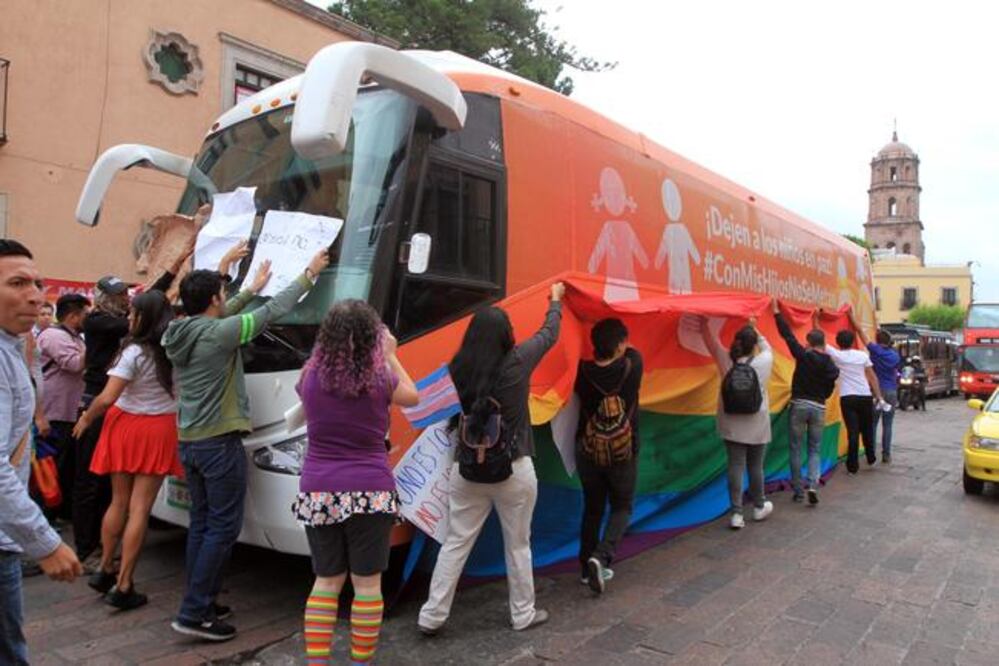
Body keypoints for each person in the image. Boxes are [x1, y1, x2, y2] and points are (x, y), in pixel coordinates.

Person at [164, 248, 329, 641]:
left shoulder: (179, 331)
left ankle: (200, 599)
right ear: (215, 299)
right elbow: (270, 314)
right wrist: (308, 274)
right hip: (218, 444)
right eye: (222, 294)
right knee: (222, 527)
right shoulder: (220, 333)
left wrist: (250, 288)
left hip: (190, 442)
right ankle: (194, 612)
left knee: (202, 525)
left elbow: (225, 316)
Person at [418, 282, 565, 635]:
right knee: (518, 544)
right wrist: (555, 301)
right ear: (506, 335)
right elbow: (549, 334)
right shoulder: (518, 362)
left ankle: (431, 616)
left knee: (455, 542)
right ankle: (522, 613)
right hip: (514, 469)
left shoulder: (456, 371)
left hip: (466, 471)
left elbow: (425, 409)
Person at [293, 301, 418, 666]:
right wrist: (391, 355)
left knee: (326, 580)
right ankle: (359, 663)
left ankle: (318, 663)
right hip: (370, 488)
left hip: (318, 488)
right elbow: (413, 396)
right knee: (366, 585)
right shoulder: (381, 377)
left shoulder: (310, 377)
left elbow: (306, 385)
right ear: (372, 338)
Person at [72, 291, 183, 610]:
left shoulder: (131, 351)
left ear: (143, 317)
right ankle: (124, 584)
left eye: (133, 313)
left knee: (118, 501)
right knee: (139, 508)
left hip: (123, 425)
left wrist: (86, 418)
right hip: (157, 428)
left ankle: (106, 568)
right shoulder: (172, 348)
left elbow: (107, 398)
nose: (129, 318)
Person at [0, 239, 82, 665]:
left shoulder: (14, 346)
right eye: (18, 283)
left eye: (38, 283)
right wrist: (46, 543)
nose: (35, 294)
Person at [573, 317, 643, 594]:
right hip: (623, 449)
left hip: (587, 448)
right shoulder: (632, 364)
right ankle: (600, 558)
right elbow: (632, 349)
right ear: (620, 344)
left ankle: (584, 567)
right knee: (622, 506)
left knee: (593, 507)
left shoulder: (582, 371)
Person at [699, 315, 774, 529]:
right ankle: (759, 507)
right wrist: (754, 327)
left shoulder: (726, 360)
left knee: (735, 465)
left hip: (730, 420)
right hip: (757, 420)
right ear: (753, 346)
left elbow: (711, 342)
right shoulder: (764, 360)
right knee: (756, 466)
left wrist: (705, 324)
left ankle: (736, 514)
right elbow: (766, 346)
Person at [773, 300, 839, 504]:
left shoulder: (803, 356)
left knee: (795, 448)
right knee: (814, 449)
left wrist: (776, 313)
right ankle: (812, 485)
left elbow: (788, 336)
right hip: (818, 407)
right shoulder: (830, 364)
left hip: (799, 405)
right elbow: (830, 387)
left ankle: (798, 491)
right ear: (823, 343)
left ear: (809, 342)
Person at [36, 292, 89, 520]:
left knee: (64, 466)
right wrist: (94, 344)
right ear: (74, 316)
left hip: (68, 411)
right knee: (51, 467)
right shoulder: (54, 336)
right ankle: (44, 516)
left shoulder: (75, 337)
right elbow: (75, 364)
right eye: (86, 314)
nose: (89, 319)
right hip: (54, 412)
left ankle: (55, 513)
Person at [824, 314, 885, 474]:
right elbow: (872, 376)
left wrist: (816, 319)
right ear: (852, 342)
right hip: (865, 396)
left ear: (838, 342)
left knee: (852, 432)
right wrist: (878, 396)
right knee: (867, 429)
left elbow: (821, 340)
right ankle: (871, 457)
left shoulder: (837, 356)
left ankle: (852, 467)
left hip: (847, 397)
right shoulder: (862, 355)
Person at [852, 317, 901, 463]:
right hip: (892, 391)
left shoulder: (875, 350)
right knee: (888, 424)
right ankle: (886, 454)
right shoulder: (895, 355)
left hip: (876, 391)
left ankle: (871, 453)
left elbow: (860, 332)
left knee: (872, 423)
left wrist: (851, 317)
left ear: (878, 340)